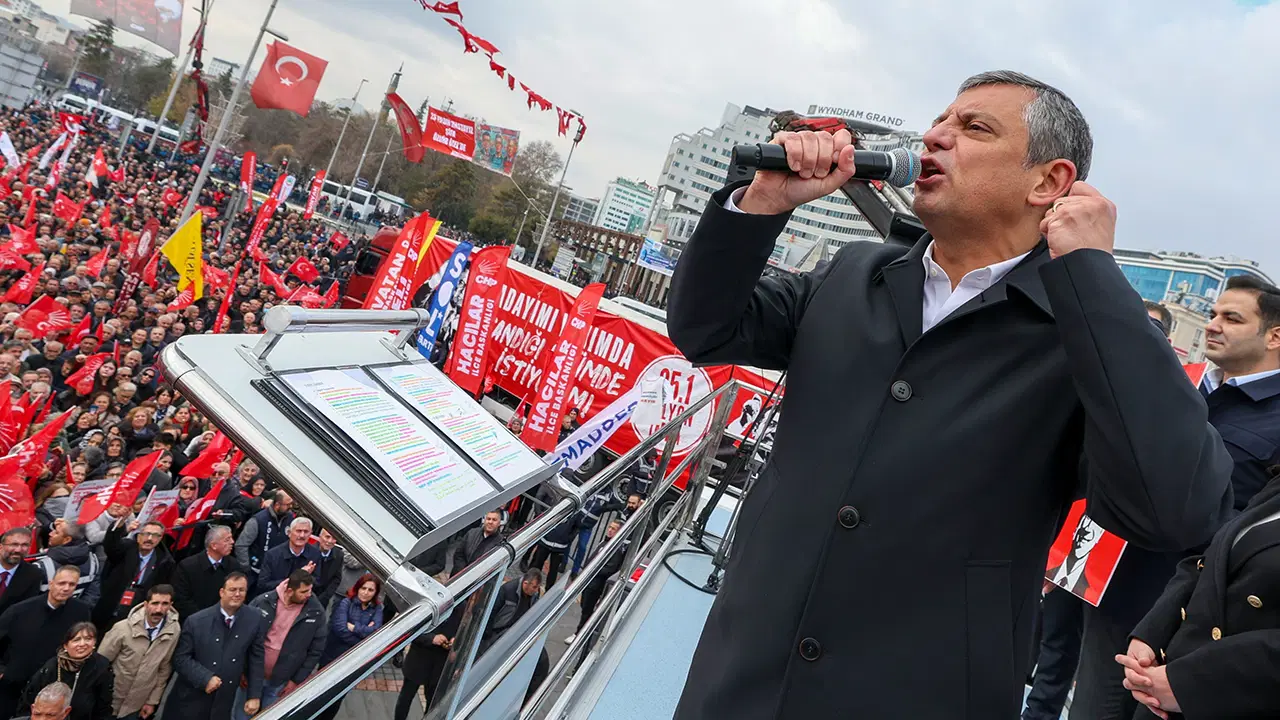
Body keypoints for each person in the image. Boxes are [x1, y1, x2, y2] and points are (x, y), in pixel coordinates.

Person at [666, 70, 1233, 719]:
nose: (936, 136)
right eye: (940, 121)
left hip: (924, 693)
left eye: (974, 128)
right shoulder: (854, 273)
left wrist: (1093, 273)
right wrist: (762, 203)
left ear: (1048, 182)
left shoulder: (1083, 333)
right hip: (745, 676)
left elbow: (1176, 508)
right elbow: (704, 328)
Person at [1121, 466, 1280, 718]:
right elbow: (1208, 563)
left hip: (1227, 697)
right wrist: (1151, 634)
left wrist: (1188, 683)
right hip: (1167, 681)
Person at [168, 572, 266, 720]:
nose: (237, 594)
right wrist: (205, 678)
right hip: (191, 699)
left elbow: (256, 657)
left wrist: (254, 695)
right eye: (232, 590)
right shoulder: (196, 621)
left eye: (242, 590)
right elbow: (180, 658)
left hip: (224, 701)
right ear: (222, 592)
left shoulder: (254, 617)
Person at [0, 566, 94, 719]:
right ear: (51, 583)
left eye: (72, 584)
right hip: (13, 685)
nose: (66, 588)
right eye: (61, 583)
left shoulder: (81, 612)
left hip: (50, 686)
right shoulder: (20, 610)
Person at [239, 569, 327, 719]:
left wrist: (296, 680)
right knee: (240, 715)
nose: (308, 595)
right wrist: (242, 669)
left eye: (310, 590)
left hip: (281, 682)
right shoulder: (263, 601)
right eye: (303, 591)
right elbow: (243, 636)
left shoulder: (316, 612)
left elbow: (315, 651)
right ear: (290, 591)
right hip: (251, 675)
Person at [97, 585, 180, 720]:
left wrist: (152, 701)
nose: (159, 609)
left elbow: (164, 669)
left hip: (136, 707)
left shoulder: (174, 631)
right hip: (109, 701)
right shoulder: (122, 628)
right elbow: (99, 663)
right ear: (146, 604)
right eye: (155, 603)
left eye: (165, 604)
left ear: (171, 605)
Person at [93, 519, 174, 635]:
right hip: (111, 606)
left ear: (160, 538)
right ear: (138, 536)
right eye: (146, 534)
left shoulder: (165, 561)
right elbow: (110, 546)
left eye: (155, 535)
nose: (150, 538)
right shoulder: (126, 548)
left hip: (137, 612)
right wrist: (120, 526)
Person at [19, 622, 114, 720]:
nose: (82, 644)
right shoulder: (51, 667)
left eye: (88, 639)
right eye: (76, 640)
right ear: (65, 645)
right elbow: (28, 701)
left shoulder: (101, 666)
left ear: (94, 643)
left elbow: (103, 709)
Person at [170, 524, 240, 622]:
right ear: (213, 545)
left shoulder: (234, 566)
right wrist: (203, 618)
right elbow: (181, 598)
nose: (232, 542)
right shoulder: (188, 566)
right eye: (227, 540)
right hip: (193, 620)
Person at [234, 489, 294, 590]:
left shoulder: (290, 518)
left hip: (276, 574)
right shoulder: (258, 520)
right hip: (255, 572)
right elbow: (241, 545)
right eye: (287, 504)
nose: (290, 507)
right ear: (277, 505)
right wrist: (246, 568)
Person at [256, 517, 320, 591]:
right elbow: (262, 585)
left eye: (306, 532)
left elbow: (317, 583)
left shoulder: (315, 554)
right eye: (298, 531)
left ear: (310, 534)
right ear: (289, 533)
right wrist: (298, 577)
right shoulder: (272, 555)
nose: (302, 535)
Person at [0, 527, 42, 616]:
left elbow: (26, 609)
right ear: (1, 547)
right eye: (14, 544)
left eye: (24, 545)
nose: (18, 550)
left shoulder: (33, 574)